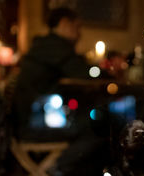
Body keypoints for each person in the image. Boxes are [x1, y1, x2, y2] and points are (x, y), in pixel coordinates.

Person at [13, 7, 91, 140]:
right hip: (36, 125)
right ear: (65, 23)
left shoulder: (43, 46)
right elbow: (84, 73)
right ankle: (58, 162)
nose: (80, 34)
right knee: (97, 129)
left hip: (26, 121)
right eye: (77, 27)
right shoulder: (56, 48)